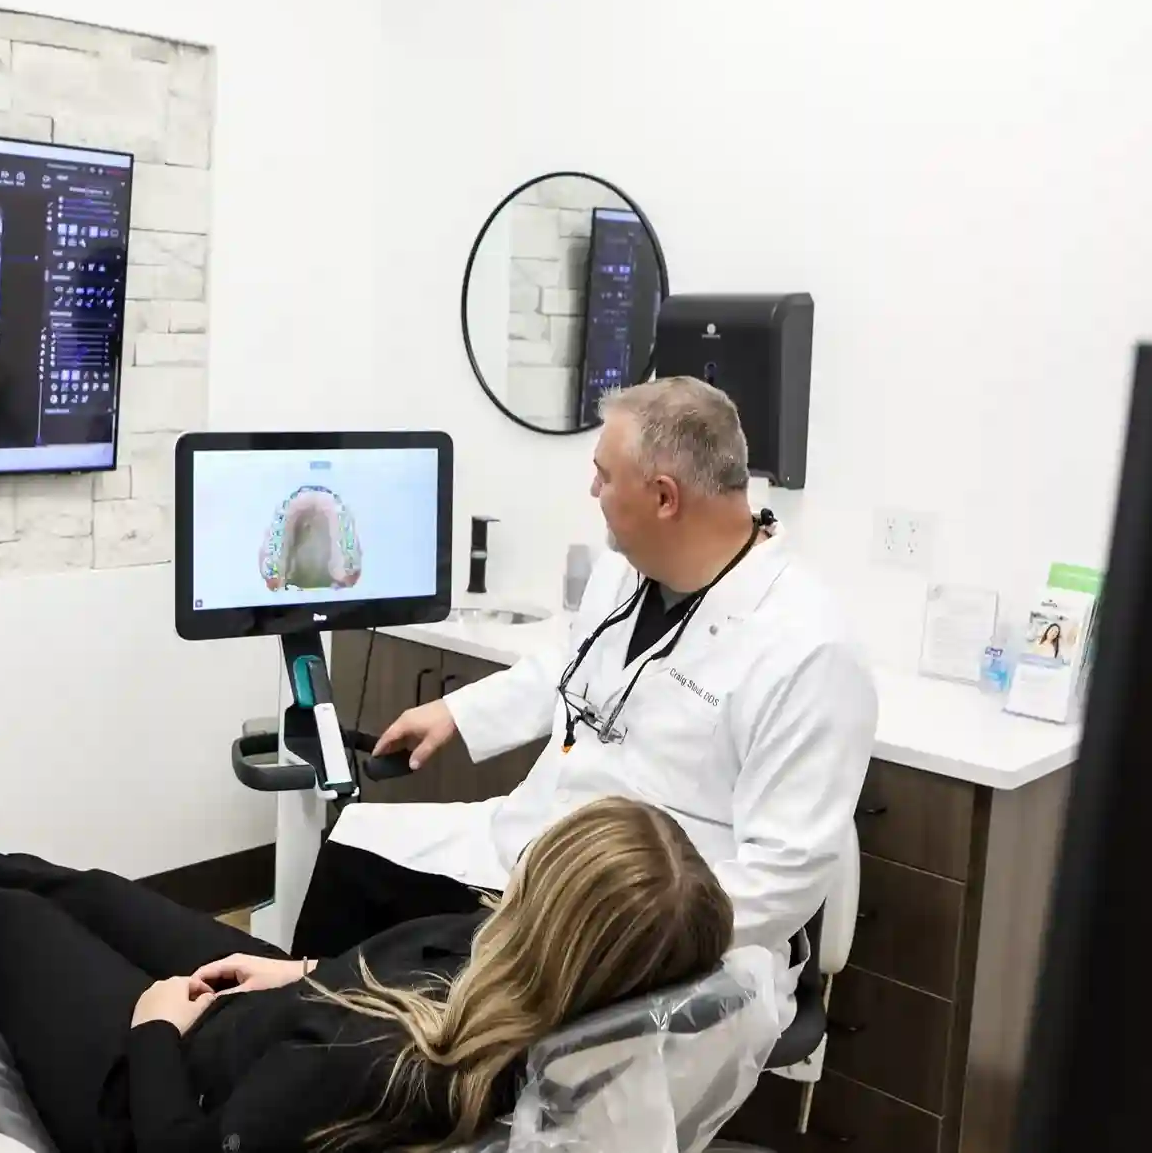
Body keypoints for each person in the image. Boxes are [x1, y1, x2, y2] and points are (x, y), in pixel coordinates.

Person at [296, 377, 877, 1014]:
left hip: (643, 925)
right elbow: (574, 666)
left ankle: (382, 1076)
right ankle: (296, 1043)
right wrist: (458, 712)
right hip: (539, 853)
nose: (593, 492)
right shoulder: (630, 566)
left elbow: (783, 877)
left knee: (419, 976)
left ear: (663, 497)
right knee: (353, 855)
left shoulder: (808, 652)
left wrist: (615, 934)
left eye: (603, 476)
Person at [0, 747, 733, 1153]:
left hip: (156, 1096)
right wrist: (299, 971)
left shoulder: (375, 1063)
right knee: (105, 896)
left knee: (20, 932)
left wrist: (151, 1029)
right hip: (272, 1015)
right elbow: (395, 967)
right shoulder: (530, 970)